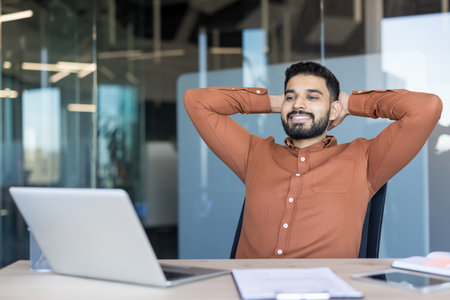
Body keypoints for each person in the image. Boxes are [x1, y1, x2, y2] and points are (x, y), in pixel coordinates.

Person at [184, 61, 442, 258]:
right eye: (291, 96)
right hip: (246, 288)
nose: (299, 104)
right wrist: (277, 102)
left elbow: (426, 107)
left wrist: (351, 103)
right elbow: (196, 101)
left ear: (333, 109)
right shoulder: (254, 154)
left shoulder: (364, 159)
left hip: (325, 291)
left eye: (312, 97)